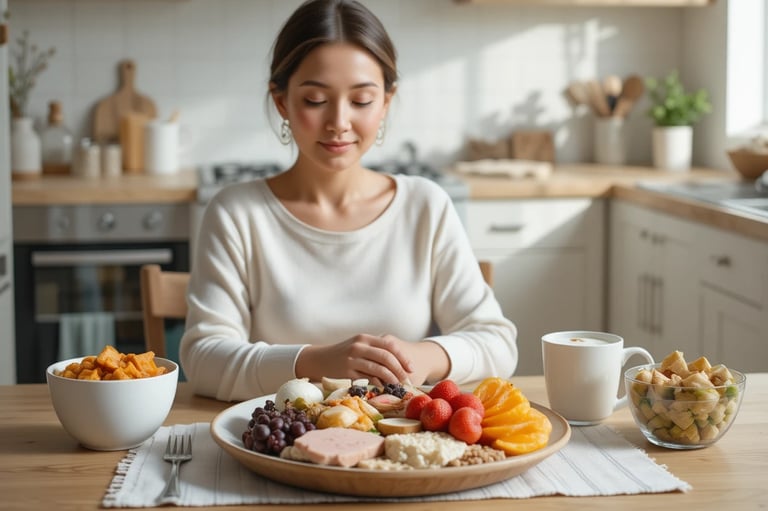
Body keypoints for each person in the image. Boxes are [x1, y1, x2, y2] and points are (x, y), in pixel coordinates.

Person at [180, 0, 518, 402]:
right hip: (281, 448)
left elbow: (499, 343)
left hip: (398, 448)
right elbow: (201, 360)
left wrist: (424, 356)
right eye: (315, 100)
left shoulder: (425, 206)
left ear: (386, 102)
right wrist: (315, 361)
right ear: (282, 102)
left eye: (361, 101)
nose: (339, 121)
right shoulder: (237, 214)